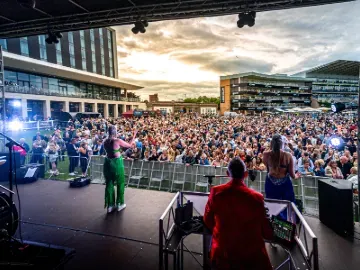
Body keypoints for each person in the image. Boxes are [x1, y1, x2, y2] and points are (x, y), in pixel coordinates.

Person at [204, 157, 273, 270]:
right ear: (245, 174)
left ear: (227, 173)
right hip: (251, 258)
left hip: (223, 254)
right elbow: (266, 231)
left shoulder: (216, 192)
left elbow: (208, 220)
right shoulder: (257, 198)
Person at [103, 125, 137, 213]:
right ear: (115, 132)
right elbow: (129, 145)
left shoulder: (105, 141)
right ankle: (119, 204)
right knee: (120, 182)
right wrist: (134, 135)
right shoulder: (117, 141)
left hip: (107, 163)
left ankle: (110, 206)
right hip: (117, 163)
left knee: (109, 183)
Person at [263, 134, 297, 214]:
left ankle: (273, 222)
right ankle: (287, 223)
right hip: (284, 184)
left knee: (271, 203)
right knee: (288, 204)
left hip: (270, 182)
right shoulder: (288, 156)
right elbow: (292, 174)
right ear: (282, 144)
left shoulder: (266, 154)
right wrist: (297, 176)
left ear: (271, 143)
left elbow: (266, 166)